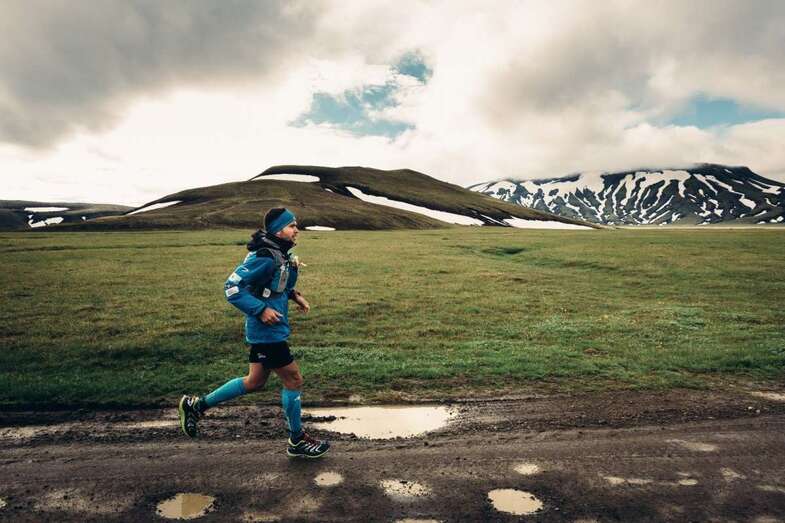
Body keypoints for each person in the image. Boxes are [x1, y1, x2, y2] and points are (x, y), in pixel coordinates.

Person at [178, 207, 330, 458]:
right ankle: (297, 439)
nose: (296, 229)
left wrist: (295, 296)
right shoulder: (264, 256)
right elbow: (232, 288)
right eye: (292, 225)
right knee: (293, 379)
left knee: (255, 381)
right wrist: (260, 310)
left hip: (272, 329)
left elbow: (274, 285)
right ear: (277, 230)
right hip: (267, 331)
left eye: (296, 225)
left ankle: (196, 405)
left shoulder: (280, 254)